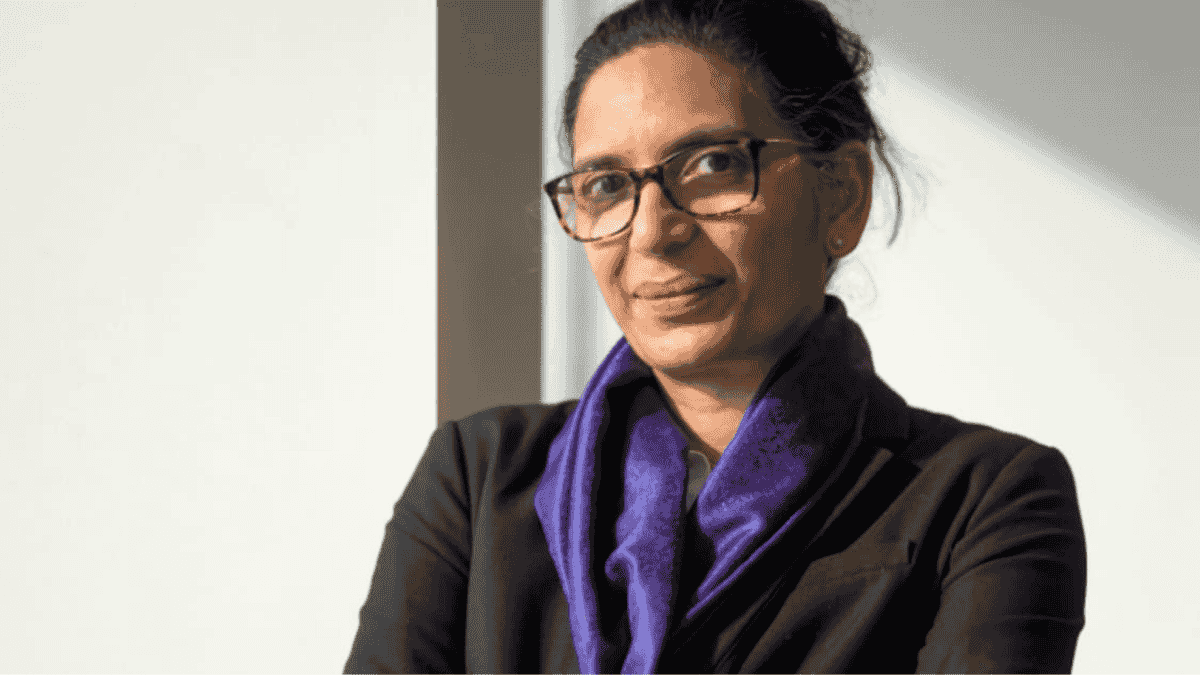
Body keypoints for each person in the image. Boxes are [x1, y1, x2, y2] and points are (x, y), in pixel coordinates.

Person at [344, 0, 1087, 672]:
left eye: (712, 164)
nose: (652, 232)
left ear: (842, 195)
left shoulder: (982, 501)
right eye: (605, 185)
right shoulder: (477, 480)